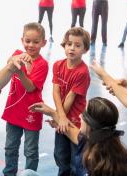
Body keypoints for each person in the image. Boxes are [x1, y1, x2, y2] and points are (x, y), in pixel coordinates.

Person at [29, 97, 127, 176]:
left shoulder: (95, 164)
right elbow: (73, 132)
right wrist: (52, 113)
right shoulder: (105, 143)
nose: (80, 116)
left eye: (83, 114)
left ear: (91, 125)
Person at [1, 22, 48, 176]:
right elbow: (9, 61)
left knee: (31, 150)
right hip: (14, 110)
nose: (31, 45)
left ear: (43, 43)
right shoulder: (18, 53)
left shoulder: (42, 64)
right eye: (27, 41)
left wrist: (22, 71)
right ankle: (9, 173)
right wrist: (15, 59)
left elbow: (30, 88)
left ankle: (30, 174)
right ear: (22, 40)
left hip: (31, 111)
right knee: (10, 147)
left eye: (36, 42)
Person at [52, 27, 90, 176]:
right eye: (69, 44)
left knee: (76, 162)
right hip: (62, 117)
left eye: (77, 45)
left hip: (76, 123)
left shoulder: (82, 72)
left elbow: (70, 97)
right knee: (61, 156)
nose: (72, 48)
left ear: (85, 49)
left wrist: (59, 118)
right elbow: (56, 92)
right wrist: (59, 117)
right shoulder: (57, 65)